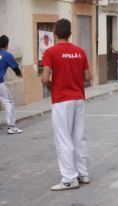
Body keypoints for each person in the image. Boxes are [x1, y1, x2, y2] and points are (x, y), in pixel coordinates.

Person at [41, 19, 92, 191]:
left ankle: (69, 178)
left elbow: (44, 78)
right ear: (70, 33)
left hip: (61, 99)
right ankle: (83, 173)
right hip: (78, 98)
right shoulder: (80, 51)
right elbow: (87, 77)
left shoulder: (51, 52)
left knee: (64, 139)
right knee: (79, 137)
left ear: (55, 33)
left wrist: (52, 86)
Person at [0, 35, 23, 134]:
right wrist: (19, 74)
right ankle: (11, 127)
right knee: (9, 103)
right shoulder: (7, 55)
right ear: (7, 44)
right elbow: (15, 68)